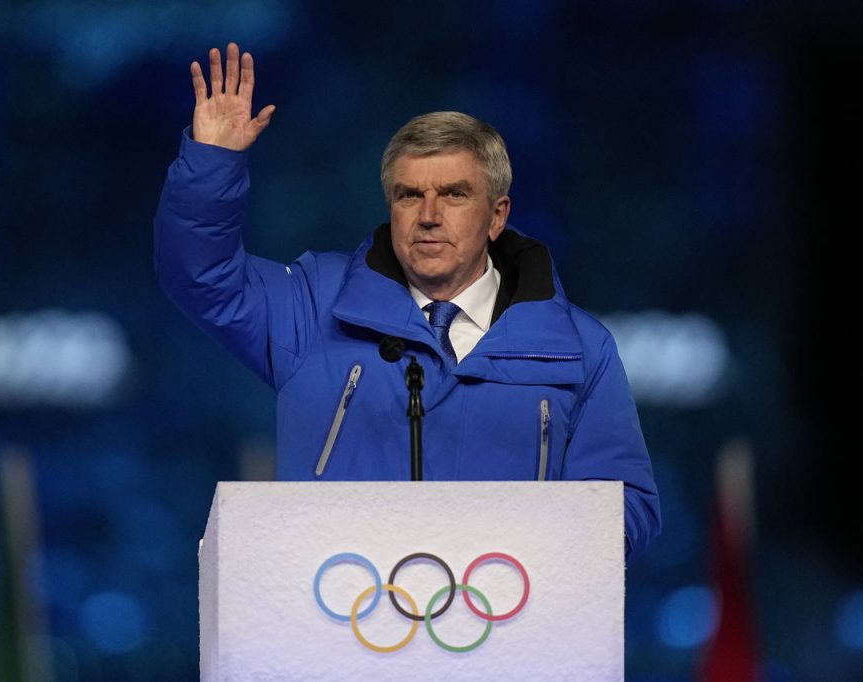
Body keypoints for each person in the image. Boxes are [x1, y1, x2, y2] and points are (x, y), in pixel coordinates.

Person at [154, 43, 661, 558]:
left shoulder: (578, 348)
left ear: (497, 216)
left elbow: (627, 509)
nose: (429, 215)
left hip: (505, 603)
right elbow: (200, 275)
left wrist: (512, 542)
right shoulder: (313, 305)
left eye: (454, 194)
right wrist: (212, 162)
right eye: (409, 195)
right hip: (336, 601)